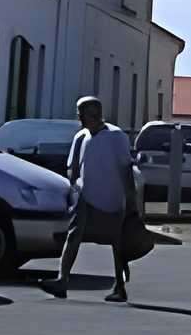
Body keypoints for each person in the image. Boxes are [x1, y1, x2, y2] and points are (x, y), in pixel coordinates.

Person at [47, 98, 140, 303]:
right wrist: (73, 191)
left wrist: (131, 201)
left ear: (94, 114)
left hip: (112, 197)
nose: (79, 118)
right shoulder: (81, 136)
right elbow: (73, 167)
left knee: (118, 242)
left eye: (82, 114)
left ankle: (120, 286)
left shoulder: (116, 137)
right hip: (85, 197)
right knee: (74, 235)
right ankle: (62, 280)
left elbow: (126, 169)